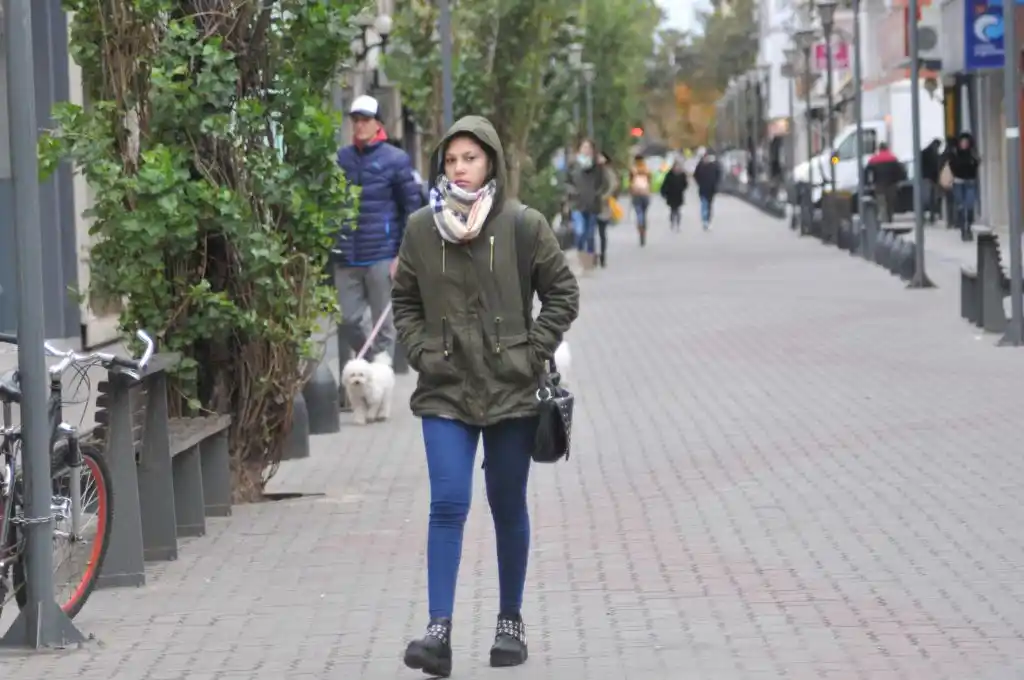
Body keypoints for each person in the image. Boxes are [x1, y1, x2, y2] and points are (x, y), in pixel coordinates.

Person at [392, 115, 580, 677]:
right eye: (451, 160)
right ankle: (438, 632)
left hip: (511, 391)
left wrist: (531, 350)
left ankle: (510, 623)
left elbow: (562, 294)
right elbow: (404, 302)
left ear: (490, 162)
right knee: (447, 503)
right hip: (445, 389)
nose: (459, 168)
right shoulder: (423, 229)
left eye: (470, 158)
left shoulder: (523, 225)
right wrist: (422, 351)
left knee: (506, 505)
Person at [335, 95, 423, 364]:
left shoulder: (396, 160)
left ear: (378, 124)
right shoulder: (341, 159)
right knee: (347, 319)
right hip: (347, 254)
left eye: (365, 120)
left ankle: (379, 386)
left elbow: (412, 210)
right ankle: (377, 362)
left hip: (382, 255)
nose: (359, 126)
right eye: (355, 120)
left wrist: (403, 255)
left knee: (384, 326)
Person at [567, 139, 608, 272]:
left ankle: (589, 261)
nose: (586, 150)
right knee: (580, 231)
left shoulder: (597, 165)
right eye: (583, 147)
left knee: (590, 234)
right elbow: (566, 182)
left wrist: (597, 194)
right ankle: (580, 257)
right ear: (579, 149)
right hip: (577, 204)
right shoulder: (573, 165)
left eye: (588, 147)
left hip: (592, 204)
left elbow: (603, 183)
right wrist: (573, 192)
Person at [948, 132, 980, 241]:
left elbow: (976, 166)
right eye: (962, 142)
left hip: (970, 182)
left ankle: (969, 228)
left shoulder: (972, 154)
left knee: (970, 206)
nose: (964, 144)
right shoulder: (955, 154)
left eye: (966, 142)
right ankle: (963, 229)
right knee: (960, 207)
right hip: (958, 182)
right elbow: (952, 166)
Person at [865, 142, 906, 224]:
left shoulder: (874, 159)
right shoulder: (893, 158)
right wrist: (898, 181)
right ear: (887, 148)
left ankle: (884, 223)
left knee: (881, 205)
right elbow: (901, 172)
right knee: (890, 206)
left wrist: (868, 183)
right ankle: (890, 220)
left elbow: (866, 172)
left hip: (879, 186)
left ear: (879, 149)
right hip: (891, 186)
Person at [595, 151, 618, 267]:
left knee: (601, 232)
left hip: (603, 206)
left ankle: (602, 255)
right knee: (590, 233)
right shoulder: (590, 170)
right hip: (590, 206)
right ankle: (592, 255)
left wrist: (604, 197)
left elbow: (613, 185)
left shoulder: (607, 171)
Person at [693, 150, 721, 230]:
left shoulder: (713, 166)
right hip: (703, 188)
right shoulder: (700, 166)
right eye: (705, 158)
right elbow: (695, 175)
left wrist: (715, 183)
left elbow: (718, 174)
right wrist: (699, 183)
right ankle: (704, 220)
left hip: (711, 189)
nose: (706, 159)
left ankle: (708, 219)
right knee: (704, 204)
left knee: (709, 205)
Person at [629, 155, 653, 245]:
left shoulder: (633, 170)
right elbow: (650, 181)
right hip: (645, 194)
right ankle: (644, 227)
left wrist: (630, 191)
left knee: (638, 212)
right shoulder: (647, 169)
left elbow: (630, 181)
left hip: (636, 194)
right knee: (644, 212)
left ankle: (640, 226)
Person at [659, 160, 689, 231]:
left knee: (678, 210)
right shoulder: (669, 175)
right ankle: (672, 222)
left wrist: (682, 188)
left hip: (678, 195)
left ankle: (678, 224)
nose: (677, 168)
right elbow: (665, 185)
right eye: (676, 166)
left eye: (678, 166)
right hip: (671, 195)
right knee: (672, 210)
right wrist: (664, 193)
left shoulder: (682, 175)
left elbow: (685, 184)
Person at [921, 138, 943, 224]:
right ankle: (931, 217)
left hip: (926, 178)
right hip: (930, 178)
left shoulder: (924, 153)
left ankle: (926, 217)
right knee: (930, 199)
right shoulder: (933, 155)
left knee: (927, 199)